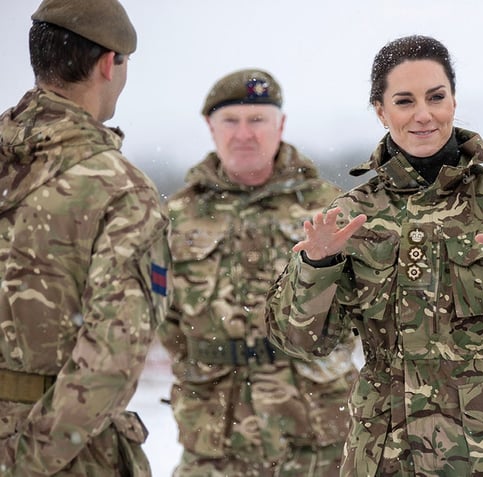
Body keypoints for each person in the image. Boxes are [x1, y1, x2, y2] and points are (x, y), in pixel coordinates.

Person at [266, 35, 483, 476]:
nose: (423, 115)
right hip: (383, 454)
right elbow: (302, 342)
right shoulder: (350, 216)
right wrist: (316, 268)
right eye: (405, 101)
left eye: (436, 97)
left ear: (453, 100)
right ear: (381, 110)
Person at [160, 68, 357, 477]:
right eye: (230, 121)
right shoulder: (176, 217)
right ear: (210, 127)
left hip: (318, 434)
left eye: (257, 120)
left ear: (280, 124)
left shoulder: (331, 208)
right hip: (214, 436)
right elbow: (166, 320)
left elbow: (357, 310)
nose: (244, 134)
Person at [0, 0, 170, 475]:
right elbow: (113, 354)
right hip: (65, 455)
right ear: (107, 64)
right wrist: (26, 461)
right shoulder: (119, 187)